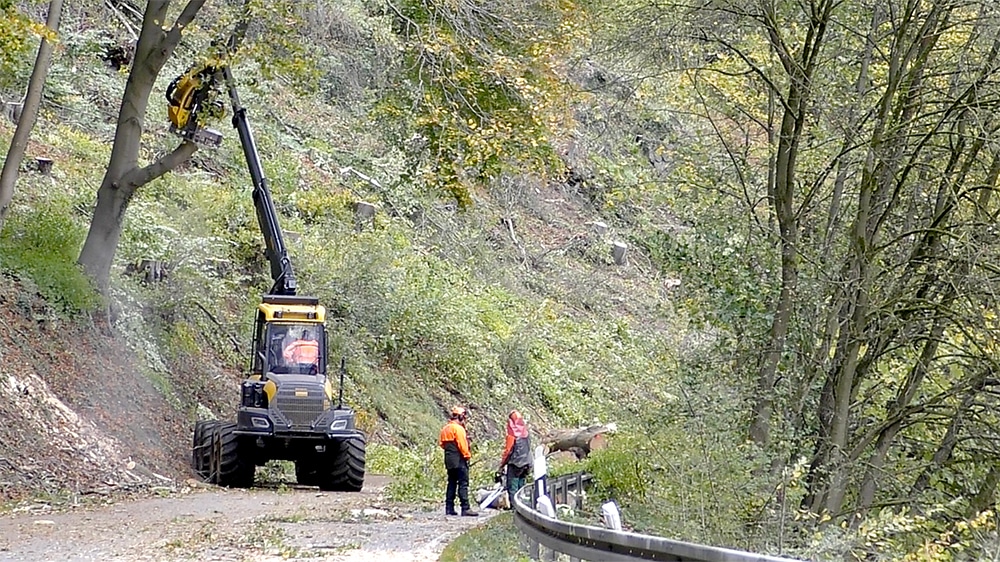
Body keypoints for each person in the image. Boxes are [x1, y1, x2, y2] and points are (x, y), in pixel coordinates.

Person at [439, 406, 477, 516]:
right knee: (463, 483)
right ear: (460, 416)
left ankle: (449, 508)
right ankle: (465, 508)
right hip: (459, 459)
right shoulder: (459, 429)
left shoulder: (445, 428)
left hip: (449, 459)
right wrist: (467, 456)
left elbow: (441, 444)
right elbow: (462, 445)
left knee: (451, 483)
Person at [497, 410, 531, 504]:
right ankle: (523, 505)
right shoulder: (526, 432)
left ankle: (515, 508)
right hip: (527, 463)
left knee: (512, 486)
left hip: (516, 464)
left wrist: (502, 465)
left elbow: (508, 451)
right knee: (521, 485)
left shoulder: (512, 435)